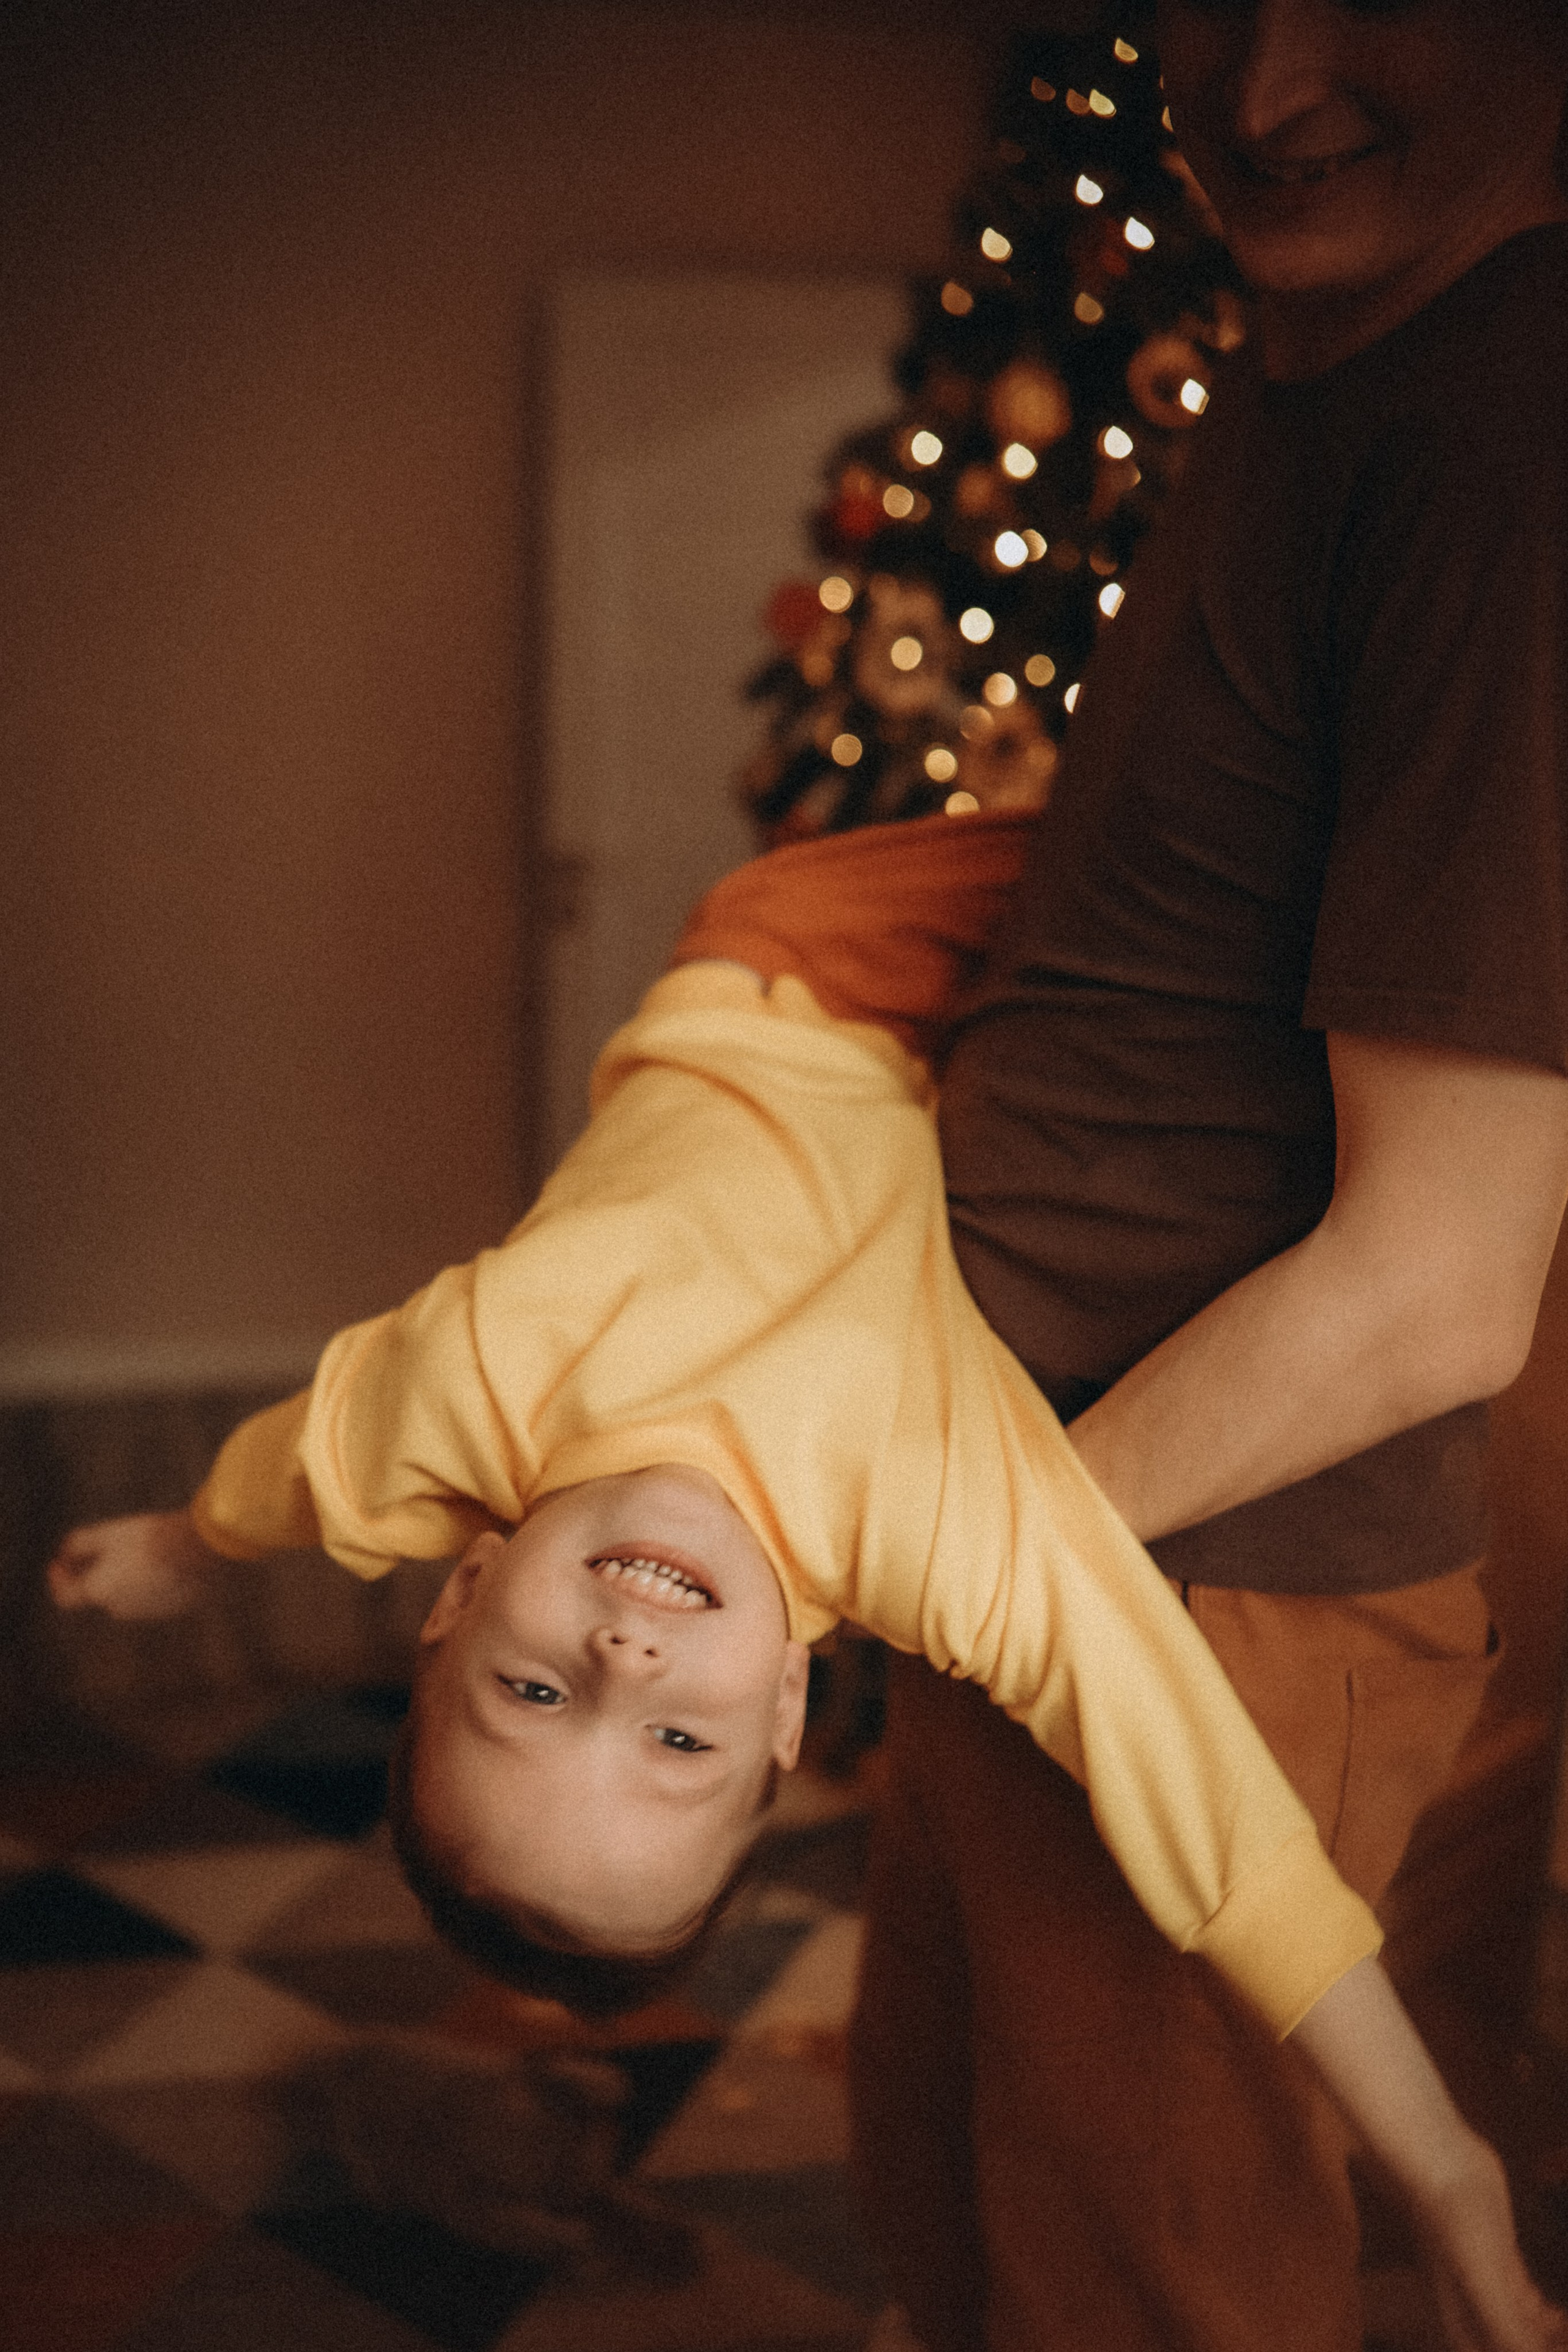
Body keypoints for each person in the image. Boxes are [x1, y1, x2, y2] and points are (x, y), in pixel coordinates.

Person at [47, 810, 1565, 2347]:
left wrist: (176, 1549)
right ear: (783, 1708)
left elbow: (303, 1465)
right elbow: (1225, 1844)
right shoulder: (934, 1525)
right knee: (1346, 899)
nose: (623, 1669)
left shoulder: (461, 1391)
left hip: (790, 951)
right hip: (949, 1071)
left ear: (459, 1588)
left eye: (531, 1688)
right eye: (677, 1745)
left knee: (1181, 835)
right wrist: (1443, 2169)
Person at [847, 4, 1568, 2350]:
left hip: (1194, 1595)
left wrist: (964, 1556)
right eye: (1213, 1)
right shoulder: (1317, 377)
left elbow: (1442, 1283)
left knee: (1143, 2308)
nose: (1264, 88)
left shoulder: (1506, 428)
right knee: (980, 2254)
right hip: (1072, 1550)